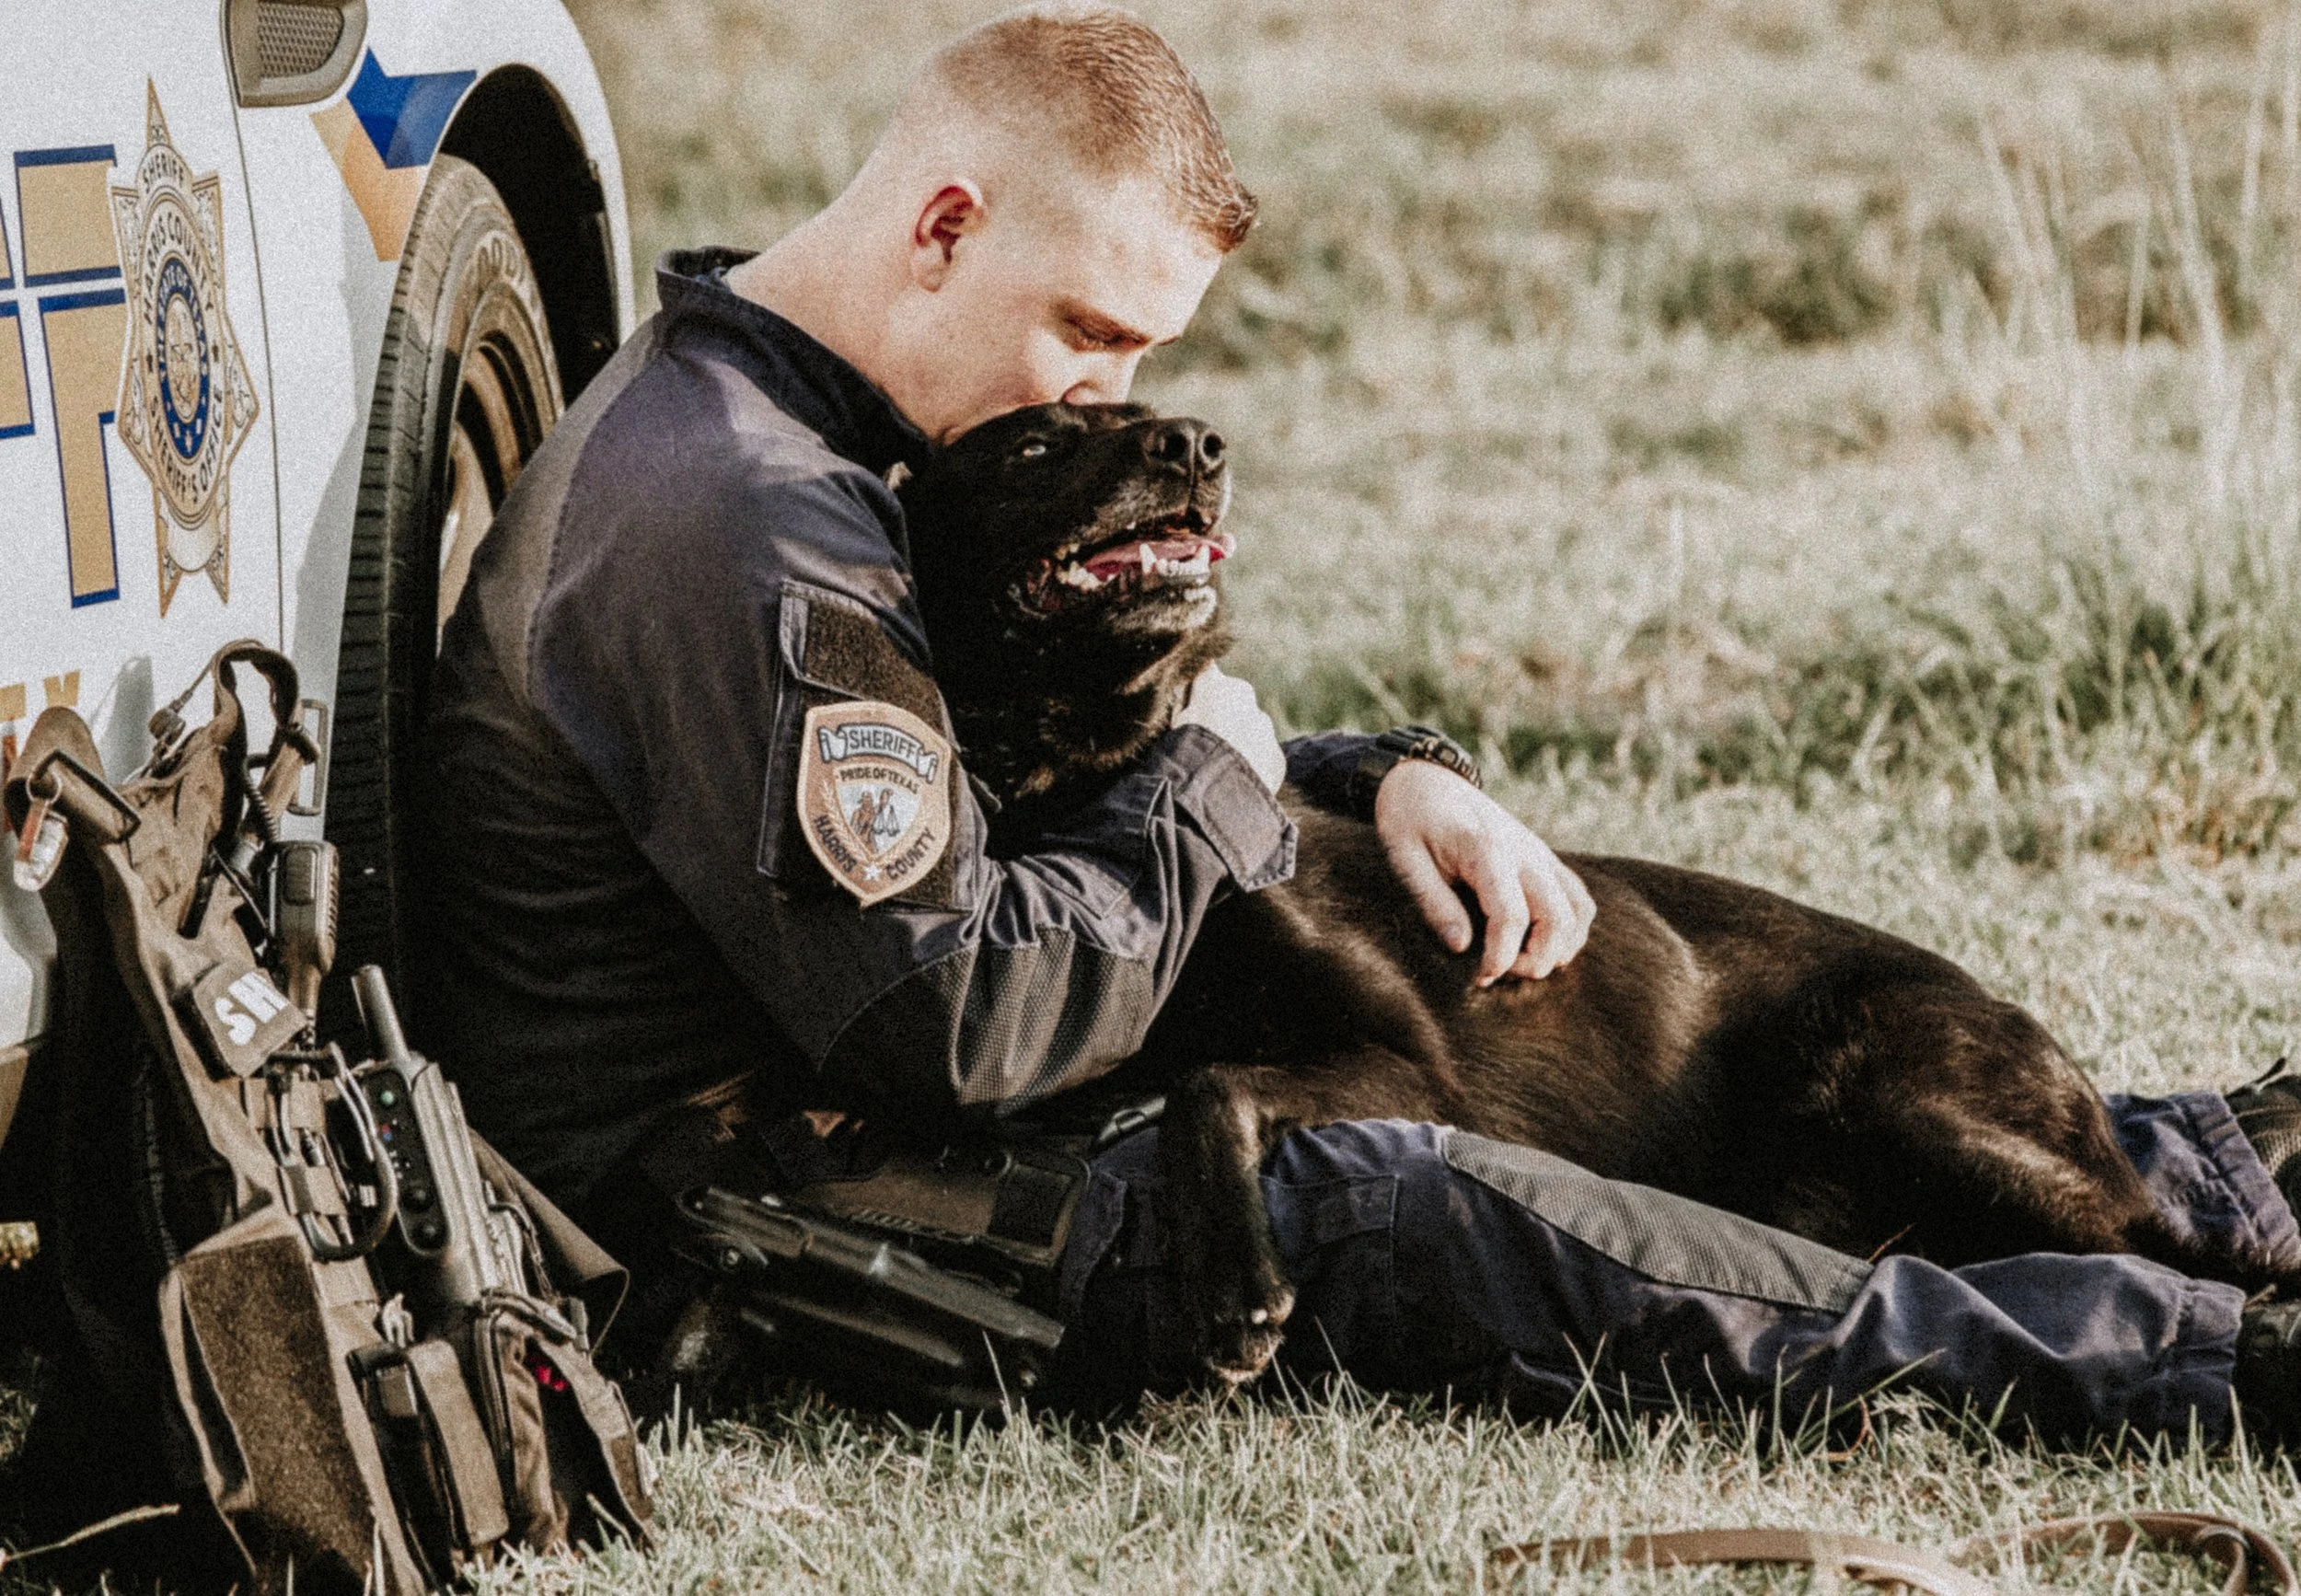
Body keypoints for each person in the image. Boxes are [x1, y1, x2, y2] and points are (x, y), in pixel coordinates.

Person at [420, 3, 2301, 1448]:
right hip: (778, 1191)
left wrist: (1360, 776)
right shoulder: (736, 522)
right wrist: (1218, 785)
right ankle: (2198, 1364)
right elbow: (955, 1018)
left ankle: (2211, 1175)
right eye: (1087, 332)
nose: (1110, 394)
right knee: (1411, 1203)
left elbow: (1029, 784)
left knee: (1667, 1082)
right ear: (936, 226)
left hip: (878, 1068)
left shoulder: (801, 432)